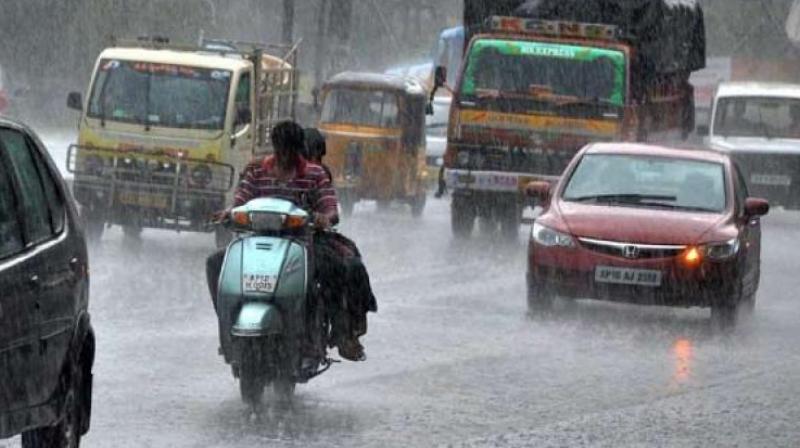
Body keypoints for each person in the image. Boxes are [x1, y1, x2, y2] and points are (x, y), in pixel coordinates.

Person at [206, 120, 376, 361]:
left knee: (336, 270)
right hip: (257, 242)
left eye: (289, 151)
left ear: (298, 150)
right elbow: (240, 200)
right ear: (274, 148)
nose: (283, 157)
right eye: (280, 150)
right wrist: (228, 213)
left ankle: (339, 334)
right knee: (215, 265)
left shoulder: (315, 175)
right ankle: (228, 326)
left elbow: (329, 208)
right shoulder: (256, 171)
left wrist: (324, 217)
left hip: (302, 244)